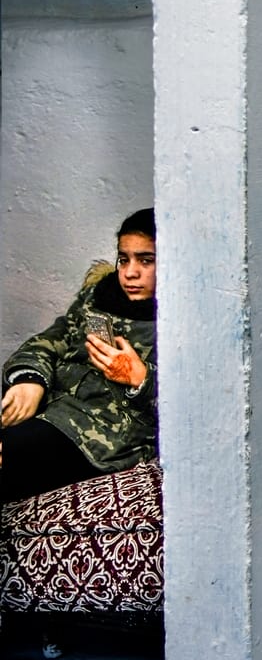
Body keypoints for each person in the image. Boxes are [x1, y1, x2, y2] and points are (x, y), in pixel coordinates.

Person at [1, 208, 158, 503]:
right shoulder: (99, 295)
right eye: (124, 259)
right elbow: (49, 341)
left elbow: (195, 405)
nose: (130, 273)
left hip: (95, 436)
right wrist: (30, 380)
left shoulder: (183, 324)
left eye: (146, 260)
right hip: (49, 403)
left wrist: (140, 378)